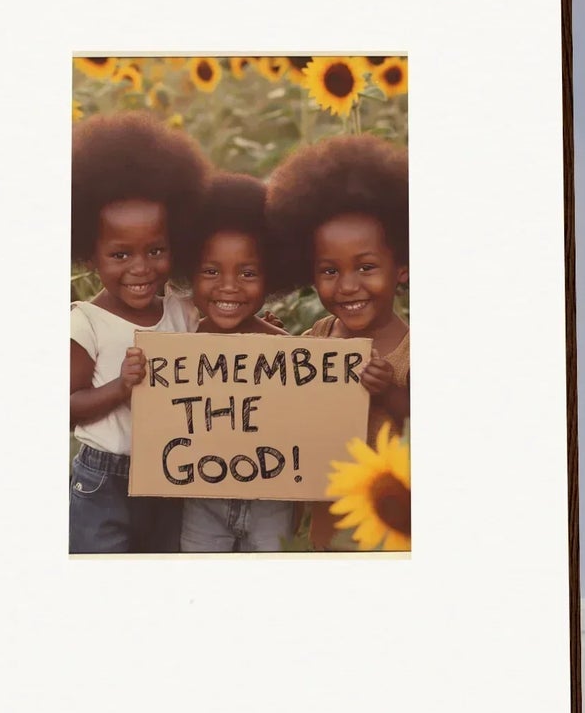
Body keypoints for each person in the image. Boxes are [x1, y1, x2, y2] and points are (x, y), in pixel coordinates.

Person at [69, 112, 210, 553]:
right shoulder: (85, 322)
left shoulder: (182, 313)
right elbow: (67, 407)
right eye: (119, 254)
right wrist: (121, 386)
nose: (140, 268)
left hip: (172, 474)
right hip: (102, 482)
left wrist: (261, 334)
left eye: (155, 250)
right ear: (91, 257)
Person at [266, 134, 410, 549]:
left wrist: (389, 394)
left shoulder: (412, 351)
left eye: (366, 267)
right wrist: (270, 338)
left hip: (392, 522)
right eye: (329, 271)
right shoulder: (319, 336)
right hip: (327, 515)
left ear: (401, 268)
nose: (348, 286)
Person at [175, 173, 295, 552]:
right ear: (188, 273)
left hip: (272, 499)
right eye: (211, 272)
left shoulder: (286, 349)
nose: (228, 286)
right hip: (201, 498)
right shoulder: (179, 346)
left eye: (247, 273)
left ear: (271, 276)